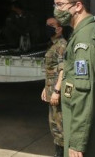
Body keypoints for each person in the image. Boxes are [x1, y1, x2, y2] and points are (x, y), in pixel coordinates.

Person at [52, 0, 95, 157]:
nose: (56, 10)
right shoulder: (88, 32)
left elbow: (85, 93)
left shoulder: (86, 39)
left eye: (60, 4)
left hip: (90, 137)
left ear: (78, 6)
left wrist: (77, 142)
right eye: (54, 5)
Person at [40, 17, 67, 157]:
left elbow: (63, 70)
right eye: (46, 25)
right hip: (52, 92)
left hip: (58, 94)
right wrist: (47, 87)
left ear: (59, 28)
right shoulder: (52, 44)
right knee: (54, 127)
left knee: (60, 129)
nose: (48, 27)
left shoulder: (62, 45)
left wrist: (57, 91)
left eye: (51, 25)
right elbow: (52, 70)